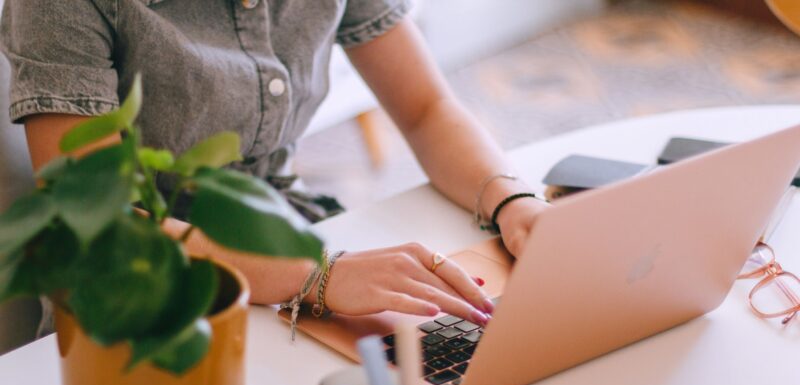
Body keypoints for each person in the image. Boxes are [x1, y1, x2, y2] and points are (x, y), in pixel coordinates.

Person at [0, 0, 550, 327]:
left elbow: (427, 110)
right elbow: (96, 229)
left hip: (288, 239)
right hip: (144, 293)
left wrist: (512, 199)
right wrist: (315, 275)